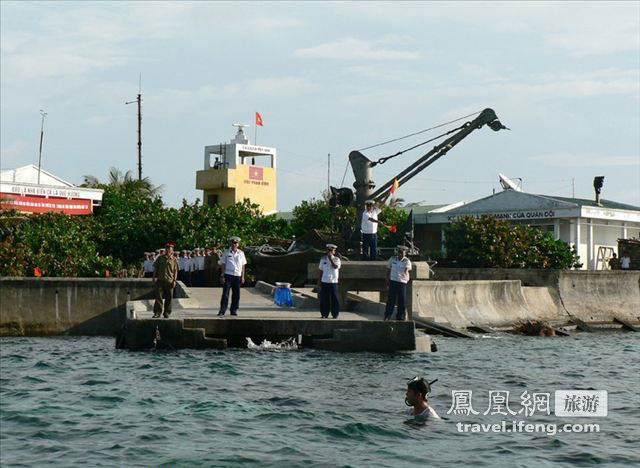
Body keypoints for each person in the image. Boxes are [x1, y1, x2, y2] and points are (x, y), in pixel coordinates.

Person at [218, 236, 247, 316]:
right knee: (225, 294)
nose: (234, 244)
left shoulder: (241, 253)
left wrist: (243, 276)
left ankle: (234, 310)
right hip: (228, 275)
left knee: (236, 295)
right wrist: (222, 275)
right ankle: (222, 310)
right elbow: (223, 264)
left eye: (236, 243)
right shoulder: (226, 252)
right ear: (231, 243)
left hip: (237, 275)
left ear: (238, 244)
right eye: (233, 243)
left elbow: (243, 265)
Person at [385, 246, 412, 321]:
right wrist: (387, 279)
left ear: (405, 253)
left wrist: (405, 272)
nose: (401, 254)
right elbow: (388, 269)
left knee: (402, 300)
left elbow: (407, 269)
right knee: (391, 300)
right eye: (399, 252)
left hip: (402, 282)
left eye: (402, 253)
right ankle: (387, 316)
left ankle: (400, 317)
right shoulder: (392, 259)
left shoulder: (407, 261)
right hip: (393, 281)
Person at [152, 242, 178, 318]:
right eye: (167, 249)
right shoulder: (160, 258)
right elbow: (156, 268)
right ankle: (157, 312)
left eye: (170, 249)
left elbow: (175, 271)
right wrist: (154, 277)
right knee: (158, 297)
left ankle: (167, 312)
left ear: (172, 250)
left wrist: (174, 281)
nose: (168, 250)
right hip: (160, 280)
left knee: (169, 298)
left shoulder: (174, 259)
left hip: (169, 281)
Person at [318, 243, 341, 318]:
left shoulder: (337, 259)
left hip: (333, 282)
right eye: (328, 250)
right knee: (324, 299)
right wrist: (319, 282)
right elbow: (321, 270)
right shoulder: (323, 259)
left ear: (334, 251)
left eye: (332, 250)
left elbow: (335, 267)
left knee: (335, 299)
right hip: (324, 281)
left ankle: (335, 314)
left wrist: (331, 259)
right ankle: (324, 314)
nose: (330, 251)